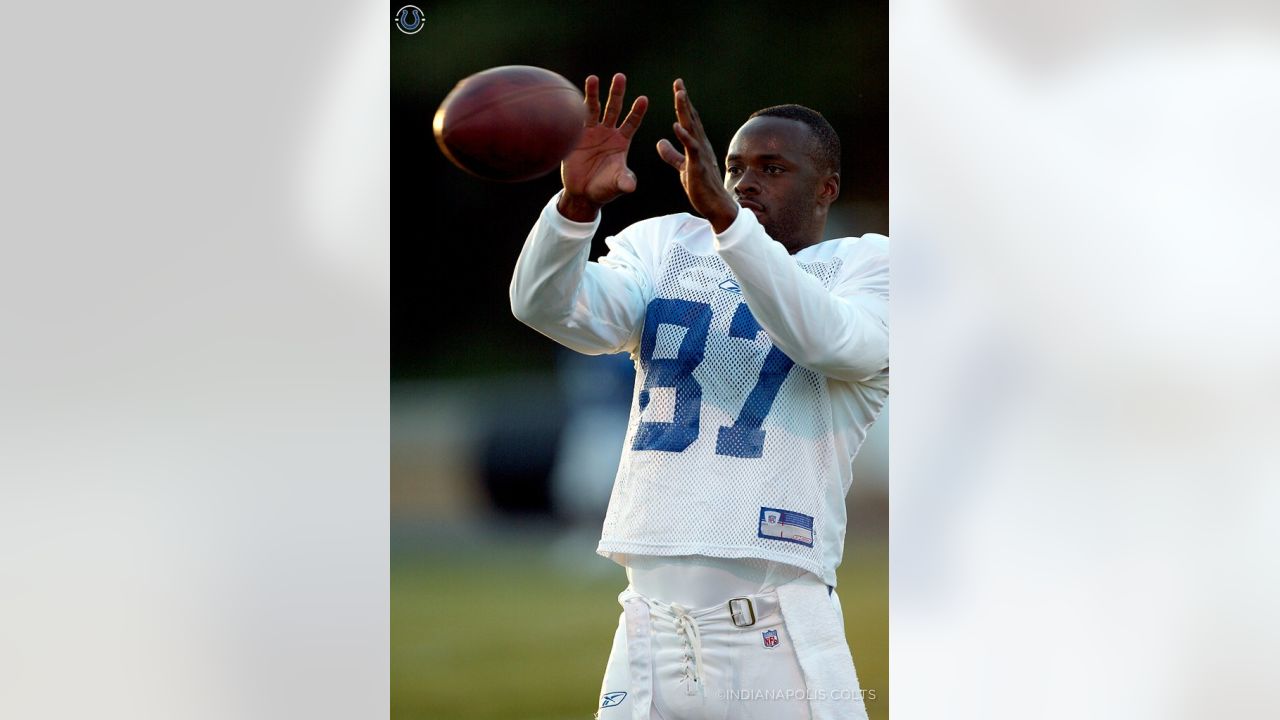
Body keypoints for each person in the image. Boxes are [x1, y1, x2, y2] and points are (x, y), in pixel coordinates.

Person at [509, 73, 888, 720]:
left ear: (827, 188)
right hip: (647, 627)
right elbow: (548, 308)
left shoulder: (868, 266)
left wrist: (728, 222)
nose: (744, 182)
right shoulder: (666, 246)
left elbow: (830, 341)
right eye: (734, 166)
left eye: (773, 168)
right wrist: (573, 211)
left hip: (775, 625)